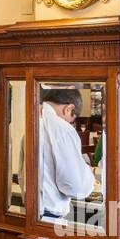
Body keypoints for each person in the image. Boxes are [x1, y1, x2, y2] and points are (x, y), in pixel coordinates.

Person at [37, 87, 96, 220]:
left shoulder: (32, 121)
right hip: (49, 214)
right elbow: (75, 186)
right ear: (68, 109)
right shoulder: (62, 129)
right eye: (71, 119)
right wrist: (89, 175)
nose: (69, 123)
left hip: (29, 211)